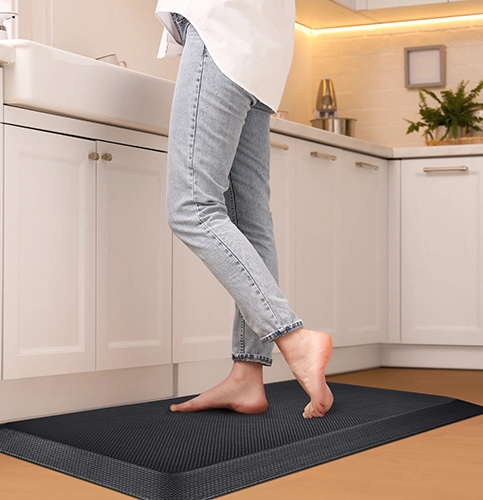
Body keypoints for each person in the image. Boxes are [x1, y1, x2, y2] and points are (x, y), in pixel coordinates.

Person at [154, 1, 334, 419]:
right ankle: (247, 377)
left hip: (222, 31)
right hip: (259, 55)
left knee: (191, 207)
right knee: (252, 221)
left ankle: (294, 336)